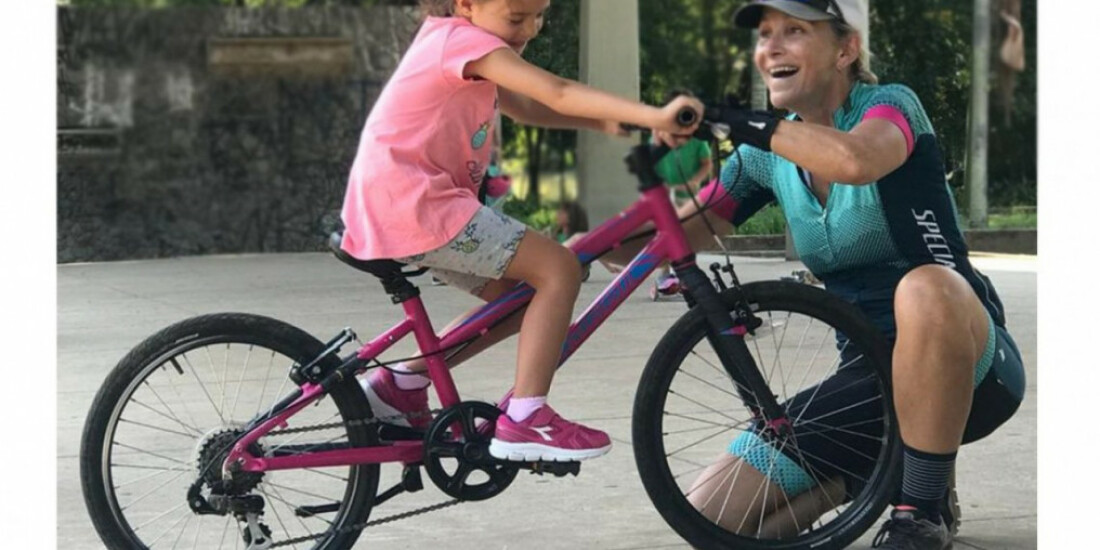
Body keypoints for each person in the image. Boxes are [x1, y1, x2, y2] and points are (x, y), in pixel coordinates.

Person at [609, 1, 1026, 547]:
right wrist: (572, 251)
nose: (772, 47)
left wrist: (744, 122)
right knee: (715, 518)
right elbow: (672, 238)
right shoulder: (763, 159)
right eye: (765, 34)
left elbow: (855, 161)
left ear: (846, 50)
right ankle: (888, 476)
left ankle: (921, 513)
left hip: (971, 365)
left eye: (795, 31)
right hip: (868, 380)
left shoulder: (889, 107)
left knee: (925, 286)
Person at [339, 0, 702, 463]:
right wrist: (653, 114)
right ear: (466, 4)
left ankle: (401, 383)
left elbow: (529, 107)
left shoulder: (459, 43)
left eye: (539, 15)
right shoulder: (461, 41)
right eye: (516, 17)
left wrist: (603, 120)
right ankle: (527, 416)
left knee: (520, 299)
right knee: (559, 268)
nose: (529, 29)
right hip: (418, 204)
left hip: (405, 204)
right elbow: (557, 92)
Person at [650, 89, 713, 298]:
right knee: (663, 233)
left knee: (686, 234)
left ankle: (687, 276)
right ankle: (664, 275)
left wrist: (695, 181)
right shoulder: (659, 136)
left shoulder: (697, 141)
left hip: (687, 193)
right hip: (665, 193)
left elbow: (706, 163)